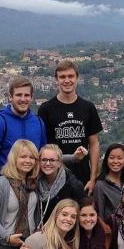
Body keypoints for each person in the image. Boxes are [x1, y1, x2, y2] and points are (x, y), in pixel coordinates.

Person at [38, 60, 103, 193]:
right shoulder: (46, 109)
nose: (67, 80)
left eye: (70, 76)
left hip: (83, 177)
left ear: (77, 78)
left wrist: (93, 178)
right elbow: (43, 146)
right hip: (54, 177)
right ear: (56, 80)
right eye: (62, 77)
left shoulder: (88, 107)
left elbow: (94, 144)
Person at [0, 76, 47, 196]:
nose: (23, 99)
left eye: (26, 95)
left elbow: (42, 155)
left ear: (31, 98)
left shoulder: (38, 123)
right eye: (18, 95)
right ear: (10, 97)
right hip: (4, 190)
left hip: (31, 189)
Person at [37, 144, 86, 222]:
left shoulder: (74, 186)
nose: (48, 163)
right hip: (40, 231)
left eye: (52, 160)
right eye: (44, 160)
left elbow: (82, 214)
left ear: (60, 162)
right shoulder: (34, 183)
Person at [93, 143, 124, 225]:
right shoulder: (100, 185)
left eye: (119, 158)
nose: (116, 161)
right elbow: (99, 216)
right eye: (112, 158)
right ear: (106, 160)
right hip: (110, 231)